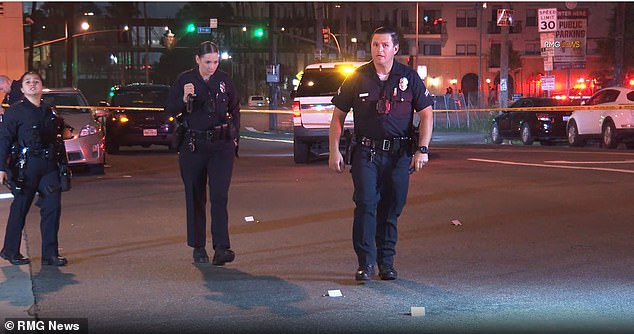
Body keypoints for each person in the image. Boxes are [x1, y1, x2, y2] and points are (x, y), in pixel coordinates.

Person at [328, 27, 434, 281]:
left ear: (395, 49)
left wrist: (422, 149)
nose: (380, 50)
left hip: (398, 156)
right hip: (367, 152)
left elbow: (427, 113)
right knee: (366, 204)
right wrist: (334, 150)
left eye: (385, 45)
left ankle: (386, 263)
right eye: (376, 45)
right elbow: (338, 117)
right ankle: (366, 263)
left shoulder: (408, 77)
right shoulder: (357, 77)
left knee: (391, 208)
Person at [166, 41, 240, 266]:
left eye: (216, 61)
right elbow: (169, 109)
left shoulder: (224, 80)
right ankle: (198, 247)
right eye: (208, 62)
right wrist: (184, 99)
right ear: (197, 60)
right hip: (193, 145)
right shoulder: (185, 80)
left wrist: (235, 137)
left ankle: (221, 247)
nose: (212, 66)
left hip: (220, 145)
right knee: (195, 196)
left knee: (220, 196)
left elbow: (234, 108)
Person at [0, 71, 69, 266]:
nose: (32, 85)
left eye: (36, 82)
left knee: (52, 208)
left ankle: (50, 254)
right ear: (21, 89)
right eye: (28, 82)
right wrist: (1, 168)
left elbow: (59, 133)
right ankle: (10, 250)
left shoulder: (50, 110)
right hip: (25, 167)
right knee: (20, 208)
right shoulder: (15, 111)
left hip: (48, 167)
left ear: (41, 87)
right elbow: (4, 139)